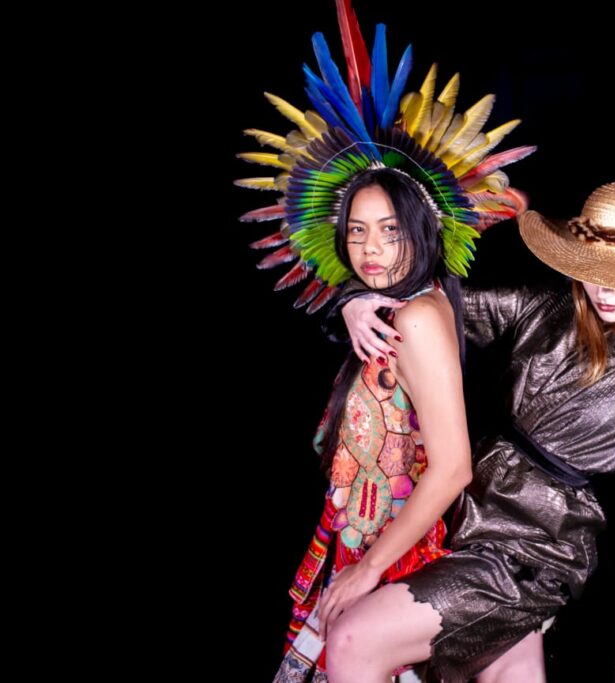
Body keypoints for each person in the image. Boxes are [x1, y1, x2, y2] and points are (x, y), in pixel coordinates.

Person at [232, 2, 534, 680]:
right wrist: (350, 302)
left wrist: (368, 570)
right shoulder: (400, 304)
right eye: (358, 231)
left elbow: (452, 467)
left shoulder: (420, 316)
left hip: (397, 552)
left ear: (422, 231)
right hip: (363, 536)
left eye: (391, 231)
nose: (371, 248)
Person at [337, 181, 615, 681]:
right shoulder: (547, 308)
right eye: (595, 270)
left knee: (354, 640)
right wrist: (356, 300)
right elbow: (431, 307)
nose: (606, 290)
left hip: (534, 550)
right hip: (463, 516)